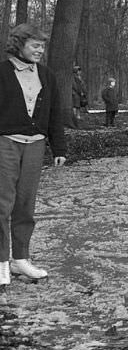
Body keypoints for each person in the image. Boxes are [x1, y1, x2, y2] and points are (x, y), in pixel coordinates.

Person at [0, 23, 67, 288]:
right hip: (5, 143)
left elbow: (54, 114)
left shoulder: (47, 76)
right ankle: (1, 262)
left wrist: (59, 148)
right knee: (2, 204)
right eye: (35, 45)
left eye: (43, 46)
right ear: (19, 44)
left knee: (25, 205)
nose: (40, 50)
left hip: (36, 145)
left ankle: (20, 259)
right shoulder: (2, 73)